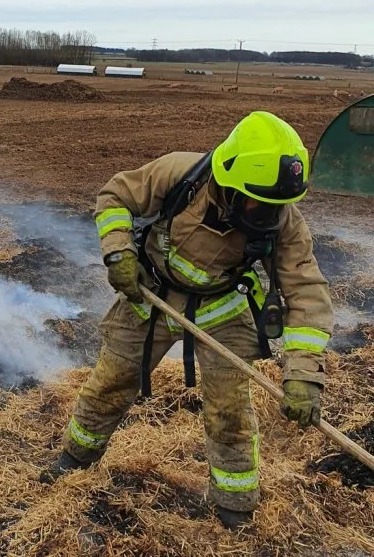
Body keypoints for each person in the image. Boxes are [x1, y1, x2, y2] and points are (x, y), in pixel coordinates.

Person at [44, 111, 333, 529]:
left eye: (277, 205)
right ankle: (74, 458)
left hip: (223, 309)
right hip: (153, 296)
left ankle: (235, 507)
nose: (269, 214)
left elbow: (306, 290)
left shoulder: (283, 217)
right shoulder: (181, 174)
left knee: (229, 410)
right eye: (259, 202)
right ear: (230, 184)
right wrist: (119, 254)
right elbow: (114, 197)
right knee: (111, 381)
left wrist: (304, 374)